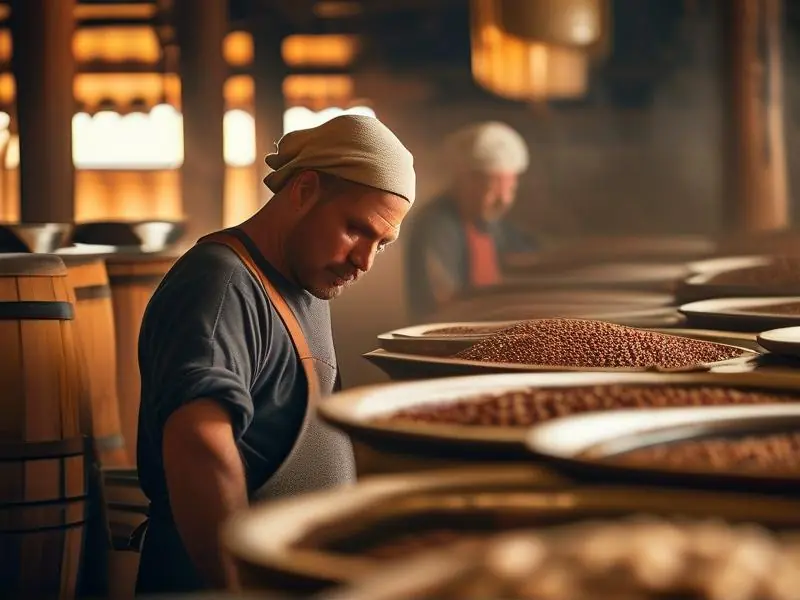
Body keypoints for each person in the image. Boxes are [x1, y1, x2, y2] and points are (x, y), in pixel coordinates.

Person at [133, 114, 416, 595]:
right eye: (356, 229)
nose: (364, 260)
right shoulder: (221, 284)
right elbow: (200, 444)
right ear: (304, 190)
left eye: (381, 245)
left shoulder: (304, 278)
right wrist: (240, 587)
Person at [404, 121, 536, 319]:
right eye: (492, 190)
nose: (505, 201)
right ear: (464, 181)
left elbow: (532, 259)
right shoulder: (435, 226)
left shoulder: (492, 224)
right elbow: (442, 304)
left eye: (510, 190)